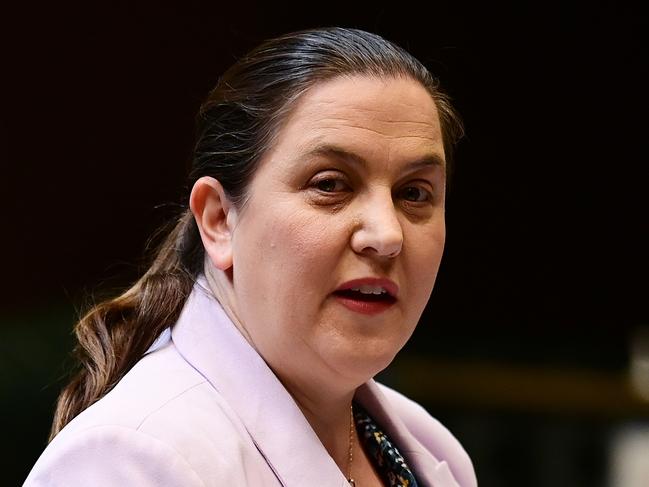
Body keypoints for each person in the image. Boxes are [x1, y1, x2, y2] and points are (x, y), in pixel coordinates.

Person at [25, 27, 476, 486]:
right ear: (219, 220)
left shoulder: (433, 451)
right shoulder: (130, 460)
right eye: (330, 184)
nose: (386, 235)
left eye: (414, 193)